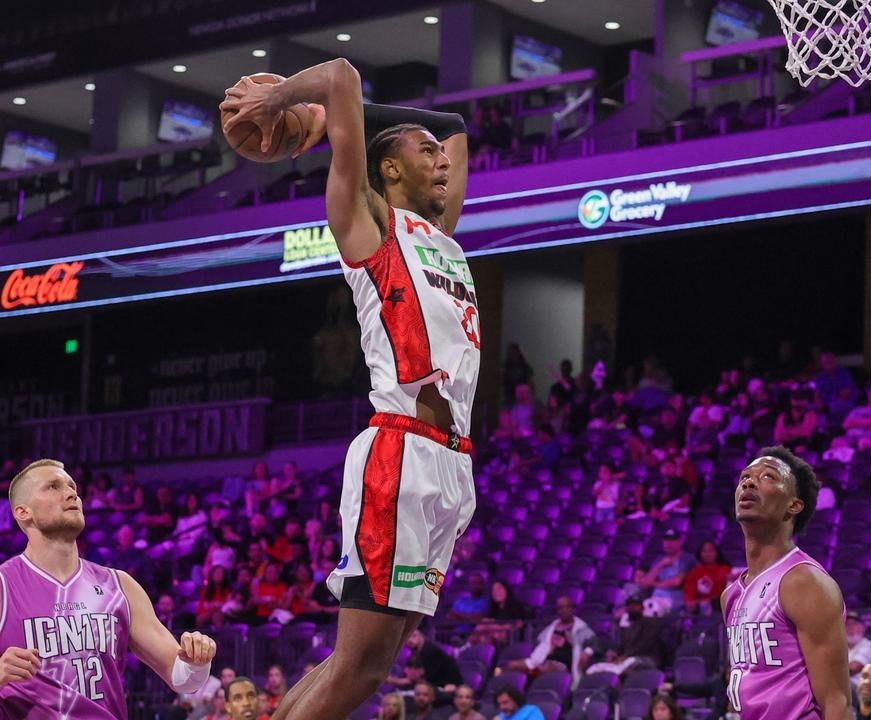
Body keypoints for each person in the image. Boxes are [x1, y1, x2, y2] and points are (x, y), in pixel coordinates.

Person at [221, 58, 476, 720]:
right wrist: (294, 106)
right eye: (424, 155)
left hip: (450, 464)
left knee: (359, 664)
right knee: (360, 672)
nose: (442, 161)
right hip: (403, 455)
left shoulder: (440, 236)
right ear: (388, 171)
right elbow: (340, 74)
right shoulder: (369, 227)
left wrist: (343, 122)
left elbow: (451, 125)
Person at [0, 459, 217, 718]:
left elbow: (183, 678)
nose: (71, 493)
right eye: (53, 487)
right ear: (23, 512)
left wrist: (197, 662)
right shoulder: (4, 585)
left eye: (72, 486)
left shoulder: (119, 585)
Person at [723, 446, 851, 719]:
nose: (749, 481)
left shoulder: (803, 580)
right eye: (745, 476)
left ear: (793, 505)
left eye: (768, 476)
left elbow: (836, 701)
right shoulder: (731, 594)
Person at [506, 597, 597, 685]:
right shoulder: (552, 627)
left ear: (572, 609)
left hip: (565, 665)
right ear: (557, 611)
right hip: (544, 661)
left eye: (567, 607)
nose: (564, 610)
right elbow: (539, 642)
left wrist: (586, 651)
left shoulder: (581, 629)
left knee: (547, 667)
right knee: (511, 665)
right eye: (561, 608)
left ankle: (534, 673)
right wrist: (550, 648)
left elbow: (596, 643)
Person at [587, 595, 664, 675]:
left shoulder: (652, 622)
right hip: (627, 659)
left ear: (642, 608)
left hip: (648, 658)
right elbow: (622, 646)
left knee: (625, 665)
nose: (632, 608)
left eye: (636, 605)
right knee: (596, 668)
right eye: (630, 606)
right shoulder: (627, 627)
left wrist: (626, 656)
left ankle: (617, 686)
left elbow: (645, 644)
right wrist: (614, 652)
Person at [635, 530, 694, 613]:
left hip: (676, 598)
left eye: (672, 540)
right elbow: (645, 583)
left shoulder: (687, 559)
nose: (669, 544)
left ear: (680, 542)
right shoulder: (659, 559)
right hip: (656, 598)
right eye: (666, 540)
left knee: (650, 610)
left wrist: (654, 584)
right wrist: (660, 565)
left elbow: (676, 582)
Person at [684, 540, 732, 615]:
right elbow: (689, 591)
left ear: (717, 553)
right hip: (698, 607)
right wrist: (690, 601)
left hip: (718, 606)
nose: (707, 554)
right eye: (704, 551)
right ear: (700, 554)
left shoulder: (727, 570)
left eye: (710, 550)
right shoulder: (695, 572)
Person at [846, 612, 871, 686]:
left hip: (861, 690)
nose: (850, 627)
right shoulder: (843, 649)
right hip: (844, 689)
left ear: (863, 628)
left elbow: (852, 669)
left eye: (855, 624)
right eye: (847, 625)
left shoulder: (869, 645)